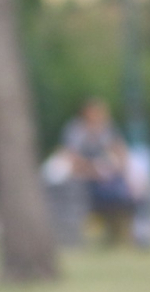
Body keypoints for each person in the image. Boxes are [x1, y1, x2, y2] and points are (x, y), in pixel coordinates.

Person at [58, 99, 136, 245]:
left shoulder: (107, 129)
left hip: (108, 178)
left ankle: (131, 233)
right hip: (85, 181)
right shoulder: (76, 131)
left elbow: (120, 150)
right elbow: (70, 157)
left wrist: (117, 166)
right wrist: (94, 169)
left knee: (130, 189)